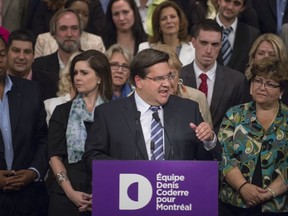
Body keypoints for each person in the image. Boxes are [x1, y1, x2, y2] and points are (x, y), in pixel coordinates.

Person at [83, 49, 221, 174]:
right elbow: (92, 157)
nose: (167, 84)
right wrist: (128, 170)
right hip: (129, 194)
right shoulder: (109, 114)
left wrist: (209, 141)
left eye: (169, 77)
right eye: (159, 79)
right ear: (139, 81)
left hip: (176, 194)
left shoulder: (188, 110)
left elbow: (208, 162)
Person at [218, 56, 288, 215]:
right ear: (250, 87)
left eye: (270, 83)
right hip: (233, 204)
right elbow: (224, 156)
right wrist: (243, 187)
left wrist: (269, 192)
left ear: (281, 91)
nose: (262, 87)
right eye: (258, 81)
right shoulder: (234, 115)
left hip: (277, 207)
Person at [48, 50, 113, 216]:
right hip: (65, 195)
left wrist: (103, 195)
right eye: (75, 73)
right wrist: (70, 193)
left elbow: (120, 156)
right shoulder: (62, 111)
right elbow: (54, 156)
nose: (77, 77)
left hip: (107, 194)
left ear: (100, 77)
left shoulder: (116, 111)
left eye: (84, 73)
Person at [0, 36, 49, 216]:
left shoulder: (31, 90)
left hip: (28, 197)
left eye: (1, 54)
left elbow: (43, 138)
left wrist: (33, 172)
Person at [180, 19, 249, 133]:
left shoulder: (237, 81)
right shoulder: (179, 77)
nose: (209, 50)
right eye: (204, 43)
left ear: (221, 45)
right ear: (193, 42)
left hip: (221, 148)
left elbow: (241, 123)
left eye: (215, 44)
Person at [153, 43, 213, 128]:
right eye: (160, 77)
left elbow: (209, 137)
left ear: (179, 73)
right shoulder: (136, 98)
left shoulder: (197, 97)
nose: (167, 83)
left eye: (171, 75)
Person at [32, 8, 82, 100]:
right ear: (53, 33)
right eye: (63, 28)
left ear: (80, 32)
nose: (69, 34)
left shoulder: (93, 63)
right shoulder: (39, 66)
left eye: (74, 28)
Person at [34, 0, 105, 58]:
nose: (81, 17)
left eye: (85, 14)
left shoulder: (96, 42)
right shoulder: (43, 40)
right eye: (76, 12)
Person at [138, 1, 195, 67]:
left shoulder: (193, 48)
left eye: (173, 17)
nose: (169, 21)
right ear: (158, 25)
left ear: (180, 21)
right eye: (163, 19)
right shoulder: (145, 48)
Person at [215, 0, 259, 73]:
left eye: (237, 3)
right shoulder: (201, 30)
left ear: (243, 7)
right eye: (227, 1)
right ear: (219, 1)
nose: (230, 7)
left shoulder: (252, 34)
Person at [245, 33, 288, 106]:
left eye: (272, 55)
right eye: (261, 53)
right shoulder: (241, 83)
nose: (265, 58)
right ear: (253, 56)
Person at [44, 51, 81, 124]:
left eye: (85, 73)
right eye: (75, 72)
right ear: (69, 75)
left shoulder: (102, 107)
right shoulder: (50, 105)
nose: (79, 77)